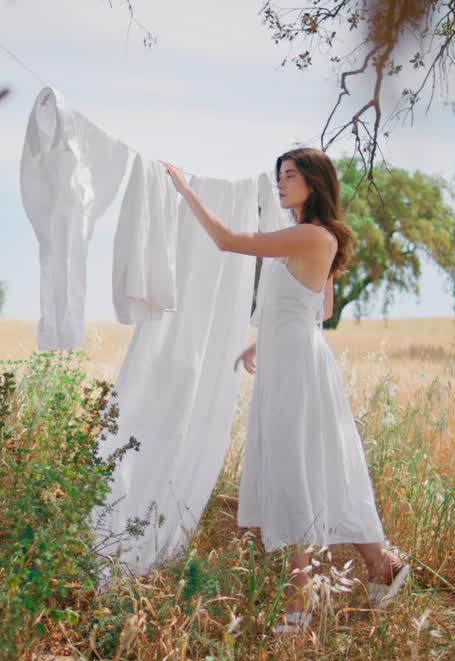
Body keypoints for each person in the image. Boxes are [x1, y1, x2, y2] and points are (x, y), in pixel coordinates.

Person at [162, 148, 409, 635]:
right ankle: (382, 562)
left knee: (297, 473)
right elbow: (315, 308)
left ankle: (300, 608)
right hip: (293, 358)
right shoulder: (314, 238)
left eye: (290, 176)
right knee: (315, 468)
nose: (281, 183)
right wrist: (264, 340)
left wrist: (186, 190)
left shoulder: (311, 234)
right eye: (279, 176)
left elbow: (230, 240)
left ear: (314, 183)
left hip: (297, 367)